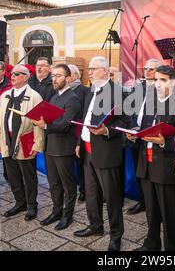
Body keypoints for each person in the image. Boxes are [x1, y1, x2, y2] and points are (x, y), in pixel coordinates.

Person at [73, 56, 126, 251]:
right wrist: (80, 142)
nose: (90, 72)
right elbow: (85, 118)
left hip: (106, 151)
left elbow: (125, 123)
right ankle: (95, 225)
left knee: (111, 197)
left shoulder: (119, 92)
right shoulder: (90, 91)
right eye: (90, 69)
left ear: (105, 71)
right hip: (87, 149)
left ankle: (116, 234)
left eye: (94, 69)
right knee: (91, 192)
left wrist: (107, 131)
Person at [131, 65, 175, 251]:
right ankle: (151, 244)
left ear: (172, 82)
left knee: (170, 214)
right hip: (146, 163)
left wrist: (164, 142)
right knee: (151, 211)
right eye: (155, 80)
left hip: (166, 167)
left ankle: (173, 250)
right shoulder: (151, 102)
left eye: (163, 80)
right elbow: (144, 126)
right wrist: (134, 134)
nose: (158, 84)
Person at [34, 64, 81, 230]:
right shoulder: (54, 97)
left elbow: (65, 125)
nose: (54, 79)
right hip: (50, 146)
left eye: (59, 76)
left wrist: (44, 125)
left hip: (63, 148)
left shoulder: (73, 98)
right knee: (53, 183)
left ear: (68, 78)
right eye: (53, 75)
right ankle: (56, 211)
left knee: (68, 185)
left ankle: (67, 216)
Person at [0, 65, 44, 221]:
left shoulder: (35, 96)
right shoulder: (5, 95)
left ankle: (32, 205)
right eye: (11, 73)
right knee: (12, 175)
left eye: (16, 74)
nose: (12, 76)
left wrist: (37, 144)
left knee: (28, 176)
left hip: (25, 139)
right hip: (6, 140)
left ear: (26, 77)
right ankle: (19, 202)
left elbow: (38, 123)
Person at [126, 58, 161, 215]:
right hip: (135, 137)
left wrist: (144, 131)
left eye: (152, 69)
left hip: (150, 137)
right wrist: (133, 128)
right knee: (138, 171)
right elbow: (130, 110)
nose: (147, 71)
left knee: (152, 173)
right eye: (146, 68)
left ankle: (154, 204)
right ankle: (143, 201)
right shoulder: (138, 89)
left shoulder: (162, 90)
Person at [68, 64, 90, 202]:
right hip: (65, 133)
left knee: (81, 164)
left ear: (76, 75)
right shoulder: (62, 91)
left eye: (68, 74)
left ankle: (83, 190)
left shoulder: (85, 91)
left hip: (78, 133)